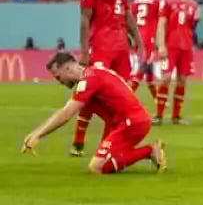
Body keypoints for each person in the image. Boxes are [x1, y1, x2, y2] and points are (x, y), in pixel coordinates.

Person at [22, 52, 166, 174]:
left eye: (58, 77)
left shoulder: (90, 80)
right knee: (107, 162)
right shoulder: (94, 74)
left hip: (130, 124)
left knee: (97, 167)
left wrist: (38, 134)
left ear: (67, 68)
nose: (60, 82)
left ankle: (149, 150)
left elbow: (66, 114)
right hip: (128, 122)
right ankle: (144, 153)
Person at [73, 0, 143, 157]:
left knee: (121, 96)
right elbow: (85, 18)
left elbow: (127, 14)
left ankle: (107, 145)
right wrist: (84, 52)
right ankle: (78, 140)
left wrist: (137, 38)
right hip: (101, 45)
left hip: (121, 47)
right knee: (92, 93)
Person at [156, 0, 199, 125]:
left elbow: (192, 26)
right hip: (170, 46)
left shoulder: (193, 4)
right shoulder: (167, 0)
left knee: (182, 80)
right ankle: (159, 115)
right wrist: (161, 45)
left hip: (186, 47)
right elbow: (161, 23)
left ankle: (176, 116)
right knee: (166, 78)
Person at [129, 0, 162, 102]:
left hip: (138, 36)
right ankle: (127, 94)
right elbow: (162, 19)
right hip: (148, 37)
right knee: (144, 66)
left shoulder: (136, 1)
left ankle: (157, 98)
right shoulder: (156, 0)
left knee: (149, 68)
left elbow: (130, 19)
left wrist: (133, 38)